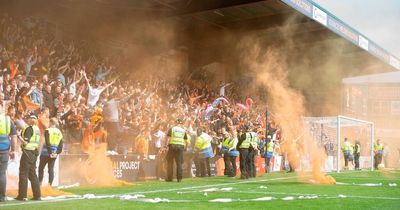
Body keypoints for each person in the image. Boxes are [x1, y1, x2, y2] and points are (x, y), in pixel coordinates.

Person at [16, 114, 41, 201]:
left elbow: (25, 142)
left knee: (23, 174)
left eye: (28, 118)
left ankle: (22, 195)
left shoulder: (29, 128)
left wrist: (18, 135)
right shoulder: (37, 129)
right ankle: (37, 195)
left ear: (30, 119)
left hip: (27, 153)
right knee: (33, 174)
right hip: (34, 153)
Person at [38, 118, 63, 186]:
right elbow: (61, 145)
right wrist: (56, 152)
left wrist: (50, 152)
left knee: (41, 168)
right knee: (51, 169)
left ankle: (39, 184)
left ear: (51, 122)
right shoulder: (59, 132)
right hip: (54, 153)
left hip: (45, 152)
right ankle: (50, 185)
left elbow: (47, 142)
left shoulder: (47, 130)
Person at [0, 108, 18, 202]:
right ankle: (2, 196)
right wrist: (13, 150)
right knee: (2, 173)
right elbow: (14, 137)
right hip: (4, 149)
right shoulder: (7, 120)